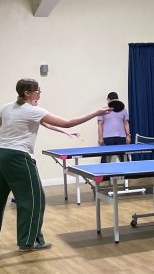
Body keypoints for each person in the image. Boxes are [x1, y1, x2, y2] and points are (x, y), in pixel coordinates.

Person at [0, 78, 109, 252]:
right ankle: (28, 242)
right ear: (27, 93)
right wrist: (96, 113)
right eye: (37, 90)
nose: (39, 93)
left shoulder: (7, 107)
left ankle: (31, 239)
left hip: (1, 154)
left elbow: (43, 124)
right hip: (17, 157)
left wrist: (64, 132)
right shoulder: (32, 110)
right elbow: (67, 121)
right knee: (34, 200)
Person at [98, 90, 130, 162]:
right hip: (107, 138)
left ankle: (128, 172)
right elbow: (100, 125)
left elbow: (126, 123)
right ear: (108, 100)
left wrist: (128, 135)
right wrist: (100, 138)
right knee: (105, 160)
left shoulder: (123, 110)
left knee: (124, 159)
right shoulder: (103, 110)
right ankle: (103, 173)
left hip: (121, 137)